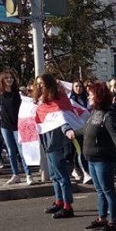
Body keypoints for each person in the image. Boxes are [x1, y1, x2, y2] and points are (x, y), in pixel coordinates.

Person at [34, 73, 82, 219]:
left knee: (62, 175)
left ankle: (68, 206)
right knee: (54, 175)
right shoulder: (42, 102)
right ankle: (59, 201)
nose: (40, 86)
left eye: (42, 84)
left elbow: (63, 119)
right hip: (47, 142)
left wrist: (67, 130)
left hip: (56, 142)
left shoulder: (59, 99)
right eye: (38, 84)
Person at [82, 82, 116, 231]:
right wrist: (70, 131)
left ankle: (113, 222)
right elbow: (86, 129)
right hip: (92, 158)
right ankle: (102, 218)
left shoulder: (109, 114)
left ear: (98, 96)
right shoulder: (94, 112)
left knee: (108, 191)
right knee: (100, 190)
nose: (88, 97)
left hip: (103, 159)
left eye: (91, 94)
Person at [0, 70, 34, 185]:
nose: (9, 80)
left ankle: (28, 174)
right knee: (11, 152)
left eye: (11, 78)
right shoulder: (0, 94)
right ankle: (15, 174)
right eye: (6, 78)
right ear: (2, 80)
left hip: (18, 126)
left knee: (21, 151)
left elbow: (26, 105)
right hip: (5, 126)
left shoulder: (18, 93)